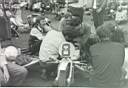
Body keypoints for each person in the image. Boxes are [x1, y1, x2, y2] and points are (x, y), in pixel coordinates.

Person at [89, 22, 125, 87]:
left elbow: (93, 65)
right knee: (123, 70)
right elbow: (120, 63)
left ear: (97, 36)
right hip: (115, 83)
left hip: (98, 83)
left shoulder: (92, 48)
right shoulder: (120, 46)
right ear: (110, 34)